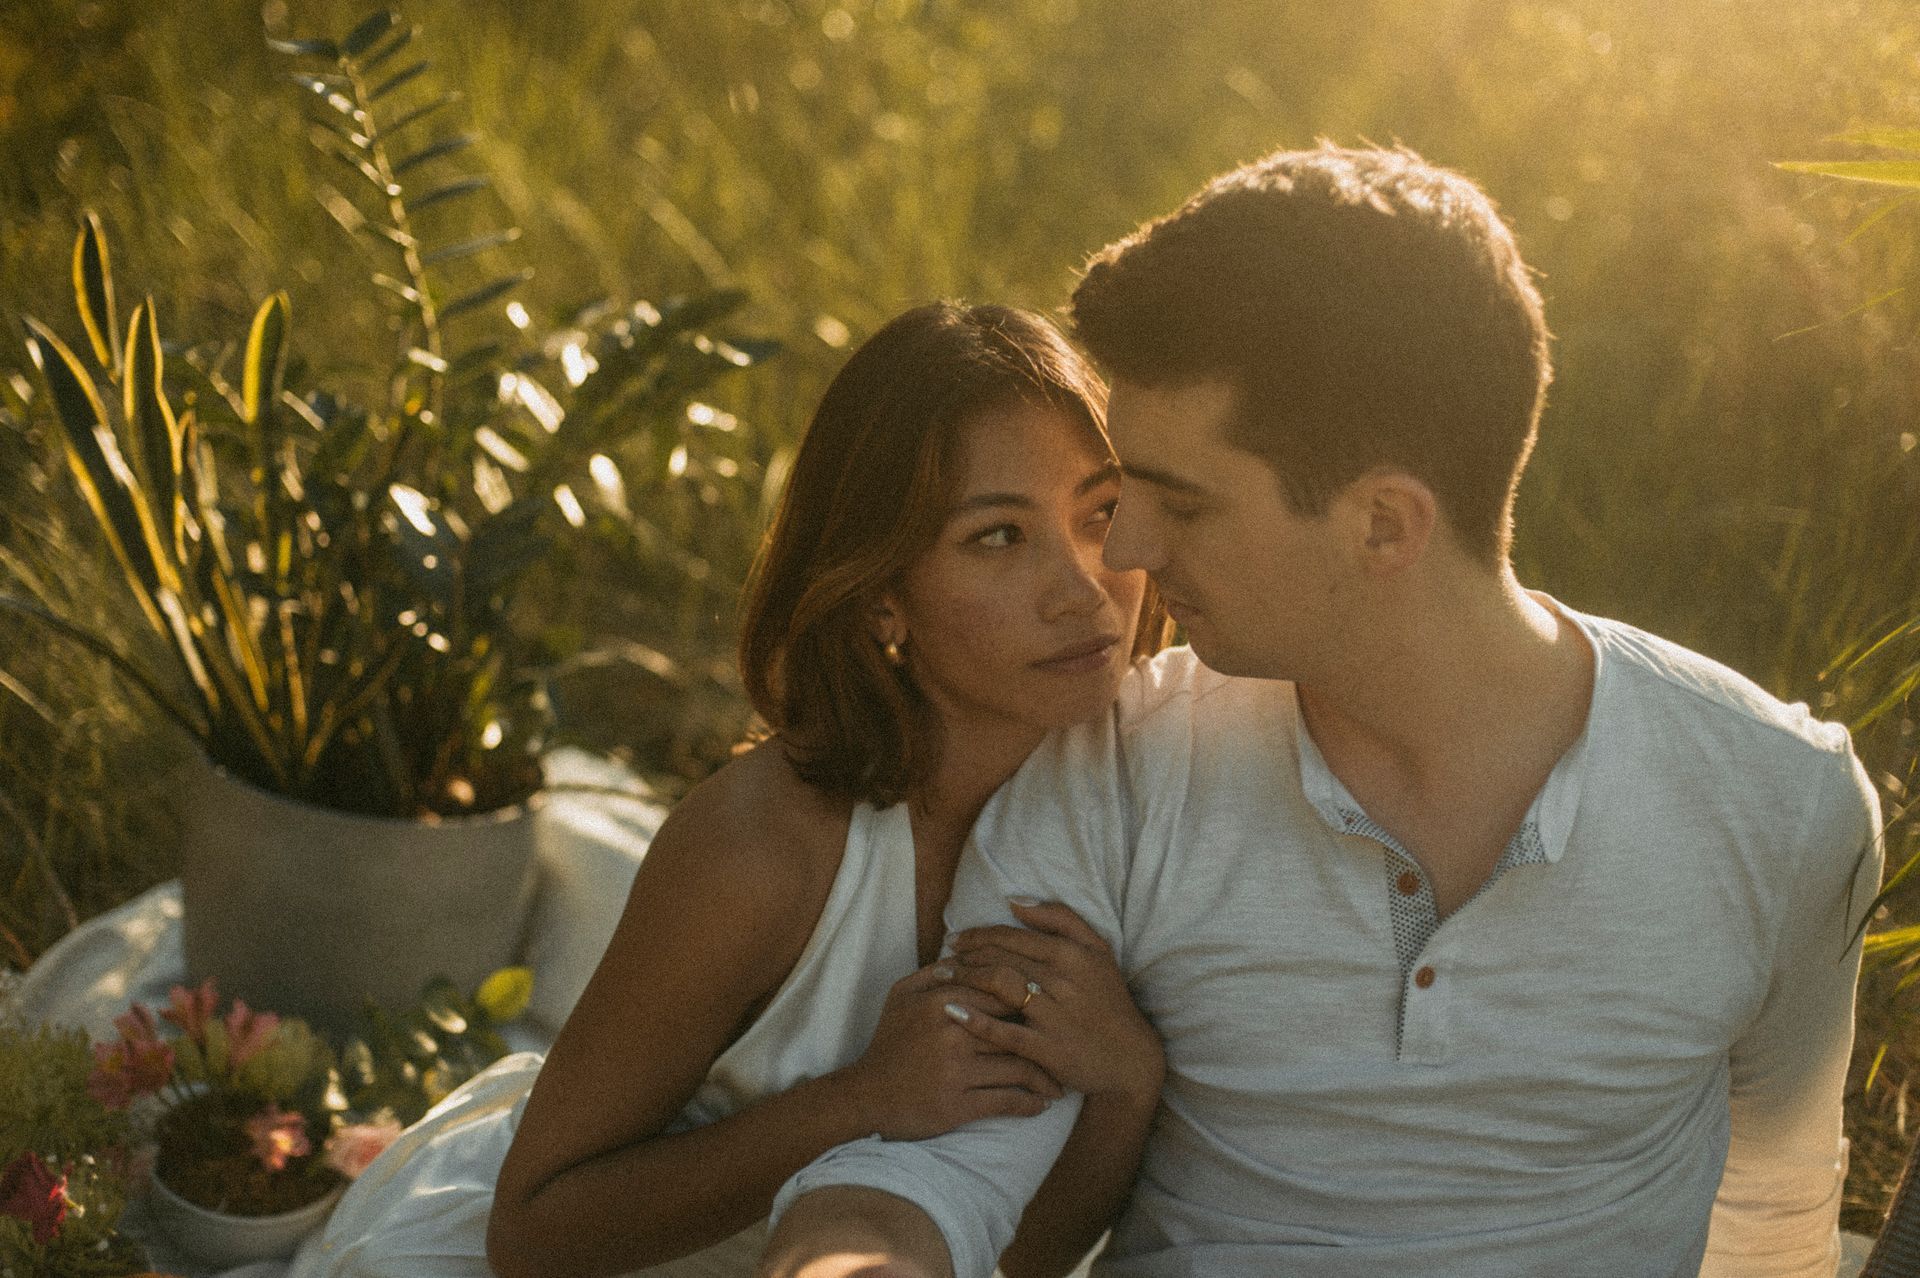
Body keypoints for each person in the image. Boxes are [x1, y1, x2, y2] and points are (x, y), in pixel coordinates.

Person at [761, 145, 1886, 1278]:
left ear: (1385, 526)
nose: (1130, 553)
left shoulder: (1778, 802)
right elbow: (930, 1170)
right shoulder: (1113, 764)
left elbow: (1776, 1215)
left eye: (1183, 506)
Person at [289, 302, 1170, 1278]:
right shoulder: (763, 847)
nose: (1086, 588)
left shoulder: (1127, 803)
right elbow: (533, 1229)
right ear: (882, 594)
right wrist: (861, 1098)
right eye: (1000, 536)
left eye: (1100, 512)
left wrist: (1129, 1081)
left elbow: (1019, 1260)